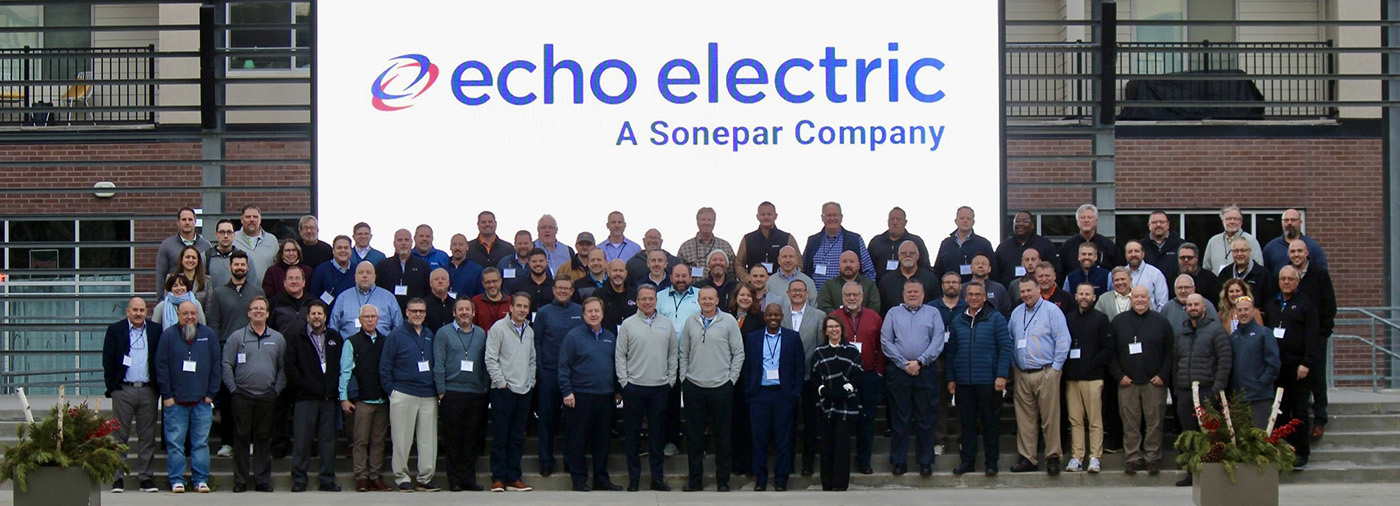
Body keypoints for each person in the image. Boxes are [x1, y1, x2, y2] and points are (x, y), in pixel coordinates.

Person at [678, 286, 745, 492]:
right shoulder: (691, 322)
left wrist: (731, 380)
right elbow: (683, 352)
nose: (707, 302)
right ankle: (695, 481)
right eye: (703, 298)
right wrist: (684, 378)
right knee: (694, 438)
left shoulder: (729, 321)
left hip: (721, 387)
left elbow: (738, 353)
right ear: (698, 301)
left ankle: (722, 481)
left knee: (723, 438)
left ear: (717, 301)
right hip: (694, 386)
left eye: (711, 298)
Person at [943, 281, 1012, 477]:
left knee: (990, 423)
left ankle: (991, 462)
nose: (973, 297)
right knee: (966, 424)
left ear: (984, 297)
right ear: (965, 297)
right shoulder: (958, 320)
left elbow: (1005, 348)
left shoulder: (996, 318)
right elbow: (951, 352)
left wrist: (1001, 375)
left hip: (988, 381)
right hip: (964, 382)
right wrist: (951, 378)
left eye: (977, 294)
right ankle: (967, 462)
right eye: (970, 294)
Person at [221, 296, 287, 492]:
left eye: (262, 309)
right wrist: (233, 389)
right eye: (255, 308)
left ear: (267, 314)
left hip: (267, 395)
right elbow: (226, 364)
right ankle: (240, 481)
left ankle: (262, 480)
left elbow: (283, 367)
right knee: (241, 438)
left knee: (263, 438)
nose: (258, 311)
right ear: (248, 313)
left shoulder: (277, 338)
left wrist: (276, 390)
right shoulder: (236, 337)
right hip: (242, 395)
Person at [616, 284, 678, 491]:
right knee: (632, 436)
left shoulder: (667, 324)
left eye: (651, 298)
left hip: (659, 388)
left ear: (656, 300)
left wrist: (670, 381)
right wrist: (624, 382)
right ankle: (634, 479)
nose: (647, 302)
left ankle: (657, 479)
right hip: (634, 387)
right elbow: (620, 355)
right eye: (643, 298)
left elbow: (673, 355)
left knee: (657, 436)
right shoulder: (628, 324)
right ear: (637, 301)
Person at [880, 279, 945, 476]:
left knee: (926, 419)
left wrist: (921, 362)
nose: (913, 294)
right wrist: (903, 363)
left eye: (916, 291)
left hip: (926, 371)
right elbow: (886, 341)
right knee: (900, 419)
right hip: (899, 372)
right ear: (903, 294)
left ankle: (925, 462)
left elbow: (938, 340)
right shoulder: (893, 313)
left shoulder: (933, 313)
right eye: (909, 292)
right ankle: (899, 461)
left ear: (923, 295)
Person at [154, 301, 220, 493]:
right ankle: (176, 479)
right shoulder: (168, 336)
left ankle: (201, 480)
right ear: (178, 315)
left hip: (202, 402)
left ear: (198, 315)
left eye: (193, 313)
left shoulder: (208, 335)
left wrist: (211, 393)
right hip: (175, 402)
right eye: (185, 314)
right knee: (175, 444)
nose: (190, 317)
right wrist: (167, 395)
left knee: (201, 443)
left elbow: (216, 365)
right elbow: (161, 366)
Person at [558, 298, 623, 492]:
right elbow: (563, 367)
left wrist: (617, 389)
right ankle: (579, 480)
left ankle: (601, 479)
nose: (594, 314)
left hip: (605, 396)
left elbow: (615, 365)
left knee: (603, 440)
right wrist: (567, 391)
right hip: (580, 396)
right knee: (577, 440)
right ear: (583, 314)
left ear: (602, 313)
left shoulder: (610, 336)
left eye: (597, 311)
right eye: (590, 311)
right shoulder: (573, 337)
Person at [1008, 276, 1072, 475]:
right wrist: (1014, 367)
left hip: (1046, 371)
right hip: (1022, 373)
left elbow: (1063, 340)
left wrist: (1056, 369)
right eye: (1023, 291)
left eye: (1029, 290)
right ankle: (1028, 458)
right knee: (1025, 419)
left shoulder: (1052, 311)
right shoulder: (1016, 313)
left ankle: (1053, 457)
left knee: (1050, 418)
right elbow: (1010, 340)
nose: (1026, 294)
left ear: (1038, 289)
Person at [1109, 286, 1174, 475]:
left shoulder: (1161, 321)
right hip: (1127, 382)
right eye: (1136, 296)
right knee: (1130, 423)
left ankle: (1152, 458)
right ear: (1130, 299)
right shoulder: (1118, 322)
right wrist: (1119, 376)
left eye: (1143, 297)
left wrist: (1163, 375)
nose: (1139, 300)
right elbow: (1111, 352)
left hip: (1154, 382)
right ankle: (1133, 458)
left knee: (1155, 423)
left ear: (1149, 299)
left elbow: (1170, 351)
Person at [1172, 293, 1233, 486]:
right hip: (1185, 390)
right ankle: (1192, 473)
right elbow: (1175, 361)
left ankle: (1211, 475)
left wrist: (1217, 388)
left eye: (1196, 304)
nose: (1193, 308)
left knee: (1209, 434)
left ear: (1204, 307)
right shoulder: (1181, 332)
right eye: (1189, 305)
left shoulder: (1216, 331)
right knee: (1189, 435)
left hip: (1207, 390)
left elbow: (1225, 360)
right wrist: (1177, 387)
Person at [380, 298, 442, 492]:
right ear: (406, 312)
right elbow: (385, 365)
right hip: (404, 392)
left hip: (428, 394)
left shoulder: (429, 334)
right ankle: (401, 478)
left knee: (428, 440)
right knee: (402, 439)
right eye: (414, 311)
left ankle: (425, 478)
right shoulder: (396, 335)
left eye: (421, 311)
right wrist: (392, 391)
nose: (418, 314)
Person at [103, 297, 161, 493]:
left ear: (146, 312)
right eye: (135, 310)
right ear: (128, 311)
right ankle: (117, 479)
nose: (138, 313)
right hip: (123, 390)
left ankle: (146, 478)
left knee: (147, 437)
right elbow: (108, 359)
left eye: (142, 310)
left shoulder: (155, 330)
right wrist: (112, 387)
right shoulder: (116, 330)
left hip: (148, 390)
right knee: (119, 437)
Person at [283, 300, 343, 492]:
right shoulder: (296, 338)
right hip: (305, 398)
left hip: (328, 398)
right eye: (313, 313)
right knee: (302, 441)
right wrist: (308, 386)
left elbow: (340, 366)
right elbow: (290, 368)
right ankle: (299, 480)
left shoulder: (335, 338)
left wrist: (331, 388)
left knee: (328, 442)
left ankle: (327, 480)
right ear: (307, 316)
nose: (317, 317)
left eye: (320, 313)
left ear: (325, 316)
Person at [1266, 265, 1322, 469]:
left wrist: (1306, 363)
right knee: (1278, 412)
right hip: (1277, 368)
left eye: (1290, 279)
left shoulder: (1306, 305)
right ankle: (1280, 451)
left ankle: (1301, 453)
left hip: (1298, 369)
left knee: (1299, 412)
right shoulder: (1272, 304)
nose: (1286, 282)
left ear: (1297, 282)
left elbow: (1312, 337)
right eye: (1283, 279)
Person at [746, 303, 805, 492]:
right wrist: (749, 392)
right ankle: (760, 479)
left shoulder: (792, 338)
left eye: (776, 315)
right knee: (759, 439)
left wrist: (795, 392)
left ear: (782, 317)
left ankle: (781, 479)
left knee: (783, 439)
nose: (773, 318)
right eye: (770, 315)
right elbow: (747, 367)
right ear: (765, 317)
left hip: (783, 395)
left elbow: (799, 367)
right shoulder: (753, 338)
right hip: (759, 395)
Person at [433, 298, 489, 492]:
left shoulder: (481, 334)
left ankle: (468, 479)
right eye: (460, 309)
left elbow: (486, 362)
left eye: (467, 309)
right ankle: (455, 480)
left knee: (471, 438)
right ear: (454, 313)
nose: (464, 312)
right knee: (453, 439)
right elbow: (439, 363)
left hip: (476, 393)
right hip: (452, 392)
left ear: (473, 313)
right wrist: (441, 390)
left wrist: (485, 386)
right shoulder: (444, 333)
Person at [828, 281, 884, 475]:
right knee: (840, 420)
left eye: (855, 295)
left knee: (867, 419)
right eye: (848, 295)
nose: (851, 298)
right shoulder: (834, 317)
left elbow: (881, 346)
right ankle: (839, 462)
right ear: (842, 297)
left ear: (862, 297)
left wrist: (878, 371)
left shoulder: (874, 317)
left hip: (867, 375)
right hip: (841, 377)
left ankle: (864, 461)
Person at [485, 293, 537, 492]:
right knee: (501, 436)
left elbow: (532, 359)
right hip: (503, 390)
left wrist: (531, 381)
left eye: (525, 307)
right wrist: (501, 383)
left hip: (524, 390)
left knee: (517, 437)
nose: (522, 310)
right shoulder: (498, 328)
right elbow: (490, 358)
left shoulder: (529, 331)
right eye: (519, 306)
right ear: (511, 307)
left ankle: (514, 477)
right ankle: (498, 478)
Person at [338, 304, 391, 492]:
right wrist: (344, 397)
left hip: (382, 399)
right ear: (359, 320)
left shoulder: (386, 341)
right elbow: (345, 371)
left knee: (379, 441)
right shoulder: (351, 342)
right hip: (361, 400)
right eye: (366, 317)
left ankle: (375, 477)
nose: (370, 320)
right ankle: (361, 477)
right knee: (360, 441)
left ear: (378, 319)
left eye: (373, 317)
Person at [1062, 282, 1113, 474]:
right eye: (1081, 293)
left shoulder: (1101, 319)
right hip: (1072, 378)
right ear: (1075, 296)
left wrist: (1091, 365)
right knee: (1075, 420)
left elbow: (1107, 348)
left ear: (1094, 297)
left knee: (1094, 420)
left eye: (1087, 294)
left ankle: (1095, 457)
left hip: (1093, 378)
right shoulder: (1068, 319)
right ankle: (1077, 456)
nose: (1084, 297)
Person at [1287, 238, 1336, 439]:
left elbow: (1329, 304)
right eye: (1293, 252)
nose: (1296, 255)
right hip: (1294, 338)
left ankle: (1320, 418)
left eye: (1300, 251)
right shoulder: (1286, 275)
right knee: (1296, 379)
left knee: (1317, 377)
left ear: (1307, 253)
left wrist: (1323, 332)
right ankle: (1296, 421)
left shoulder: (1319, 274)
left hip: (1315, 337)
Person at [534, 276, 582, 477]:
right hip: (549, 373)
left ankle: (571, 461)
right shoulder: (544, 313)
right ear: (553, 290)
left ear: (572, 291)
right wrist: (540, 371)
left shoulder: (580, 311)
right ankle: (546, 461)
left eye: (566, 288)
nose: (563, 291)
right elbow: (537, 343)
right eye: (559, 288)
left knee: (572, 421)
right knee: (547, 419)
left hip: (575, 375)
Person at [810, 316, 862, 490]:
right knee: (826, 447)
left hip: (846, 405)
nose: (833, 330)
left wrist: (844, 390)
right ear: (825, 331)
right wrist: (824, 391)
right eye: (830, 327)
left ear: (841, 329)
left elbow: (857, 375)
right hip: (826, 405)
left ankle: (840, 485)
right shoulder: (819, 352)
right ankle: (827, 484)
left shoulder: (852, 351)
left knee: (842, 447)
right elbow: (815, 377)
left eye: (836, 326)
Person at [783, 278, 826, 477]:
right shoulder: (780, 314)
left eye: (801, 290)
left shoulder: (819, 316)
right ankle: (788, 462)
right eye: (794, 290)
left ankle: (808, 463)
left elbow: (820, 347)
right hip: (786, 377)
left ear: (807, 293)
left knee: (810, 422)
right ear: (788, 293)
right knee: (788, 423)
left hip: (810, 376)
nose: (798, 293)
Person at [1227, 296, 1281, 430]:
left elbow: (1274, 363)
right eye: (1240, 310)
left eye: (1246, 309)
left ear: (1253, 311)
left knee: (1260, 436)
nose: (1243, 313)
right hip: (1238, 397)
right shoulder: (1234, 337)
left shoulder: (1264, 333)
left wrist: (1262, 383)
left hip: (1260, 397)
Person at [804, 202, 876, 291]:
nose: (832, 218)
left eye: (835, 215)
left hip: (847, 297)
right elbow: (804, 269)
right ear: (822, 218)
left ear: (841, 217)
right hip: (816, 297)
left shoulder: (855, 240)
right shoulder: (812, 241)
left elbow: (869, 271)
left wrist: (863, 293)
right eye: (828, 215)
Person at [329, 261, 402, 337]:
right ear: (355, 277)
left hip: (381, 344)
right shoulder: (343, 298)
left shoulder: (389, 298)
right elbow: (333, 328)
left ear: (374, 277)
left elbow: (399, 328)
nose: (364, 275)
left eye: (368, 272)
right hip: (349, 344)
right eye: (361, 272)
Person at [156, 207, 211, 298]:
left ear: (195, 222)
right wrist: (161, 299)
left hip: (199, 297)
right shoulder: (167, 245)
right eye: (184, 219)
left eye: (190, 219)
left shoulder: (206, 246)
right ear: (178, 222)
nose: (187, 222)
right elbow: (161, 275)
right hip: (175, 298)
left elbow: (208, 273)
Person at [737, 201, 801, 278]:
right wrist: (747, 279)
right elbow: (738, 264)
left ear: (775, 216)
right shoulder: (748, 239)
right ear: (757, 216)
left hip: (781, 283)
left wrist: (789, 280)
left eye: (769, 214)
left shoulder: (787, 238)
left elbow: (799, 263)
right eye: (763, 214)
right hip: (755, 284)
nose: (766, 217)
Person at [1057, 204, 1121, 282]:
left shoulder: (1108, 246)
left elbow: (1118, 271)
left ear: (1096, 221)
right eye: (1082, 218)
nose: (1086, 220)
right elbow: (1060, 274)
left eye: (1089, 217)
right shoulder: (1067, 247)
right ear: (1077, 222)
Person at [995, 211, 1058, 287]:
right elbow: (996, 274)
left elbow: (1055, 270)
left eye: (1025, 221)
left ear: (1032, 225)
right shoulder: (1003, 247)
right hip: (1009, 292)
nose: (1021, 224)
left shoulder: (1045, 245)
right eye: (1017, 221)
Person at [869, 206, 932, 283]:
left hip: (910, 288)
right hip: (880, 288)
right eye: (892, 219)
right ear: (888, 222)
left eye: (898, 219)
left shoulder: (916, 242)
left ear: (905, 222)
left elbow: (926, 269)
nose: (895, 222)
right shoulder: (876, 242)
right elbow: (868, 269)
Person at [932, 206, 995, 282]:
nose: (965, 221)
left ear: (973, 222)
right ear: (956, 221)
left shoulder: (983, 244)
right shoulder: (946, 244)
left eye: (968, 219)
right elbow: (938, 271)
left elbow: (993, 271)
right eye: (962, 218)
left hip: (975, 288)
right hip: (951, 287)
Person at [376, 229, 432, 313]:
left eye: (406, 240)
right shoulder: (383, 266)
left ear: (411, 242)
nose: (403, 243)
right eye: (400, 240)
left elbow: (428, 293)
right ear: (394, 243)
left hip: (415, 314)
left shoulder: (423, 266)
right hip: (388, 313)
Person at [877, 240, 938, 315]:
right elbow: (882, 310)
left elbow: (935, 308)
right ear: (899, 256)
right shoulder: (886, 281)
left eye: (912, 253)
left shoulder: (930, 279)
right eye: (903, 253)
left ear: (918, 256)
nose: (908, 255)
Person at [1262, 209, 1328, 274]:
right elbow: (1265, 275)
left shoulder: (1312, 247)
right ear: (1282, 223)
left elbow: (1322, 274)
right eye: (1286, 220)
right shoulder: (1271, 248)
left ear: (1300, 222)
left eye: (1293, 220)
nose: (1289, 223)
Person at [1201, 206, 1264, 275]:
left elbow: (1259, 267)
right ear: (1222, 221)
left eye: (1236, 219)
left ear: (1241, 222)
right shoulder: (1213, 241)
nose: (1232, 221)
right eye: (1228, 219)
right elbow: (1206, 268)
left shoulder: (1251, 241)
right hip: (1218, 281)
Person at [678, 207, 737, 279]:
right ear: (697, 222)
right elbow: (679, 273)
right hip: (694, 285)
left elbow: (732, 274)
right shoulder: (685, 247)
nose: (706, 223)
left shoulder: (725, 246)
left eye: (709, 220)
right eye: (703, 220)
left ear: (714, 222)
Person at [1216, 236, 1269, 302]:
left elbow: (1268, 302)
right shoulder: (1225, 273)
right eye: (1236, 251)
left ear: (1249, 251)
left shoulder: (1263, 274)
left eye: (1243, 250)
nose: (1239, 254)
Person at [233, 205, 278, 281]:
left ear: (260, 219)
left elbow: (277, 267)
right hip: (239, 287)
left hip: (266, 287)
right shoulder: (233, 239)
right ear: (241, 220)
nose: (252, 220)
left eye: (255, 217)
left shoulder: (272, 240)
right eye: (248, 217)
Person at [309, 235, 356, 307]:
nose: (343, 250)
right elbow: (313, 296)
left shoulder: (358, 270)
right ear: (333, 250)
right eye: (339, 248)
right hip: (327, 313)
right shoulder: (321, 270)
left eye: (346, 248)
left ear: (351, 250)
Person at [207, 219, 253, 290]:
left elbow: (252, 286)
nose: (226, 236)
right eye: (222, 232)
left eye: (229, 232)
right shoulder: (206, 257)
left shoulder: (245, 258)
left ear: (234, 235)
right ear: (216, 235)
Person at [1125, 240, 1169, 311]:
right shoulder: (1120, 275)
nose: (1133, 254)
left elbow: (1162, 303)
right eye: (1130, 252)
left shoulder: (1155, 274)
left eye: (1136, 251)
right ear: (1125, 255)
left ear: (1143, 254)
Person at [269, 266, 313, 336]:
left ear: (304, 282)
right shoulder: (274, 303)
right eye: (290, 278)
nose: (294, 282)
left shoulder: (313, 303)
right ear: (284, 283)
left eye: (297, 278)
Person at [597, 260, 639, 333]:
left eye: (621, 271)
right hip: (608, 337)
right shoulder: (599, 295)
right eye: (615, 270)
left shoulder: (635, 294)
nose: (618, 274)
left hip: (632, 336)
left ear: (626, 273)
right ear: (608, 273)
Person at [1141, 210, 1184, 281]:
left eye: (1162, 222)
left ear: (1168, 225)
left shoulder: (1180, 245)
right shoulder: (1140, 246)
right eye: (1154, 222)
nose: (1158, 225)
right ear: (1149, 225)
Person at [1178, 243, 1220, 311]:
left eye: (1189, 258)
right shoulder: (1172, 278)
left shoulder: (1210, 279)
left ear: (1196, 259)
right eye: (1182, 258)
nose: (1186, 260)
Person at [445, 233, 485, 300]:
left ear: (467, 247)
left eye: (461, 244)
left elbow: (480, 296)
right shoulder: (443, 269)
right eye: (454, 244)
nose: (457, 248)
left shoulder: (477, 270)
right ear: (450, 247)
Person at [422, 268, 455, 333]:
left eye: (443, 279)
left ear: (448, 282)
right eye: (436, 279)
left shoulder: (456, 305)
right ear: (430, 283)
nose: (440, 281)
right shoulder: (423, 305)